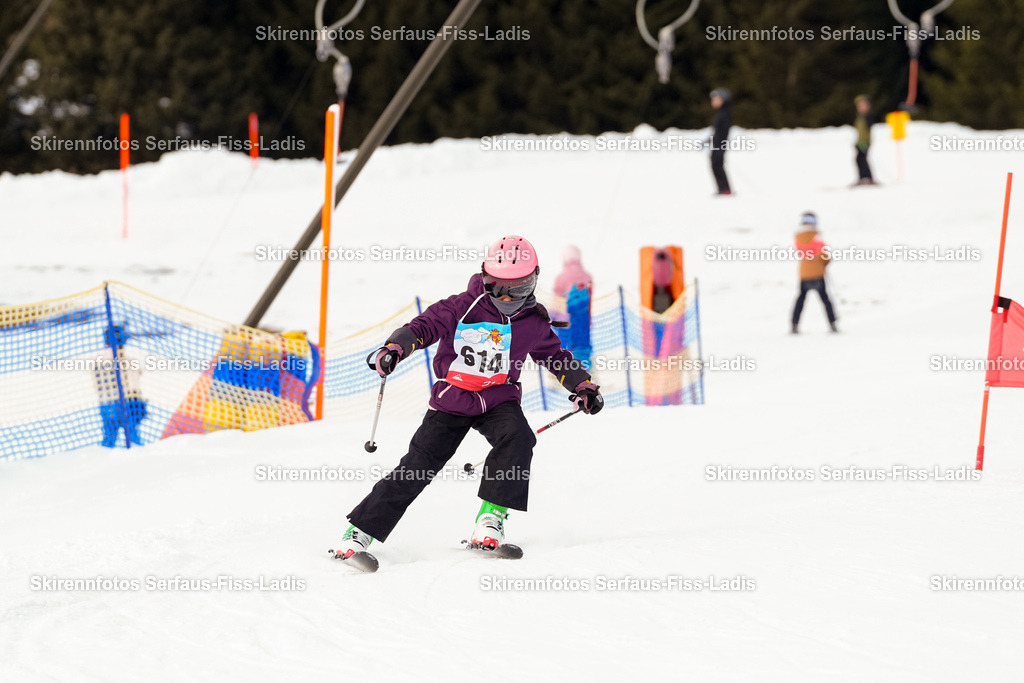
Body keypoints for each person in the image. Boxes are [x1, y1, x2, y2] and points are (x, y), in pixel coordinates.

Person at [335, 235, 604, 559]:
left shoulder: (531, 321)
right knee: (418, 466)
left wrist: (583, 386)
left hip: (498, 399)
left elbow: (555, 356)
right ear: (485, 278)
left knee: (518, 439)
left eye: (517, 289)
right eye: (497, 287)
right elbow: (422, 327)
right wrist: (395, 347)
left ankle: (491, 518)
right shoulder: (461, 308)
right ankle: (359, 533)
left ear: (533, 281)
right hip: (454, 398)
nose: (507, 297)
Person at [95, 325, 147, 447]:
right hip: (128, 401)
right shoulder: (127, 359)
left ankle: (105, 458)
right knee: (132, 435)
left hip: (106, 402)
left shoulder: (97, 359)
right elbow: (134, 382)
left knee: (109, 437)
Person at [791, 212, 838, 334]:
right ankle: (832, 324)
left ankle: (794, 324)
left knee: (800, 300)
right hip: (818, 274)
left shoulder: (798, 238)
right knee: (825, 300)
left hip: (804, 274)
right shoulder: (817, 238)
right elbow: (824, 256)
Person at [709, 88, 733, 195]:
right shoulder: (722, 113)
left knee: (717, 165)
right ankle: (723, 189)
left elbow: (722, 132)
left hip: (719, 144)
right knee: (716, 165)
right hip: (717, 144)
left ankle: (725, 189)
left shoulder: (724, 114)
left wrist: (717, 142)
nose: (713, 101)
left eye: (715, 99)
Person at [854, 95, 876, 186]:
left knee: (862, 159)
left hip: (864, 143)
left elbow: (867, 133)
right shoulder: (860, 117)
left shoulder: (867, 117)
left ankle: (867, 177)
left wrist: (864, 143)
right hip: (860, 143)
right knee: (859, 160)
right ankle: (863, 177)